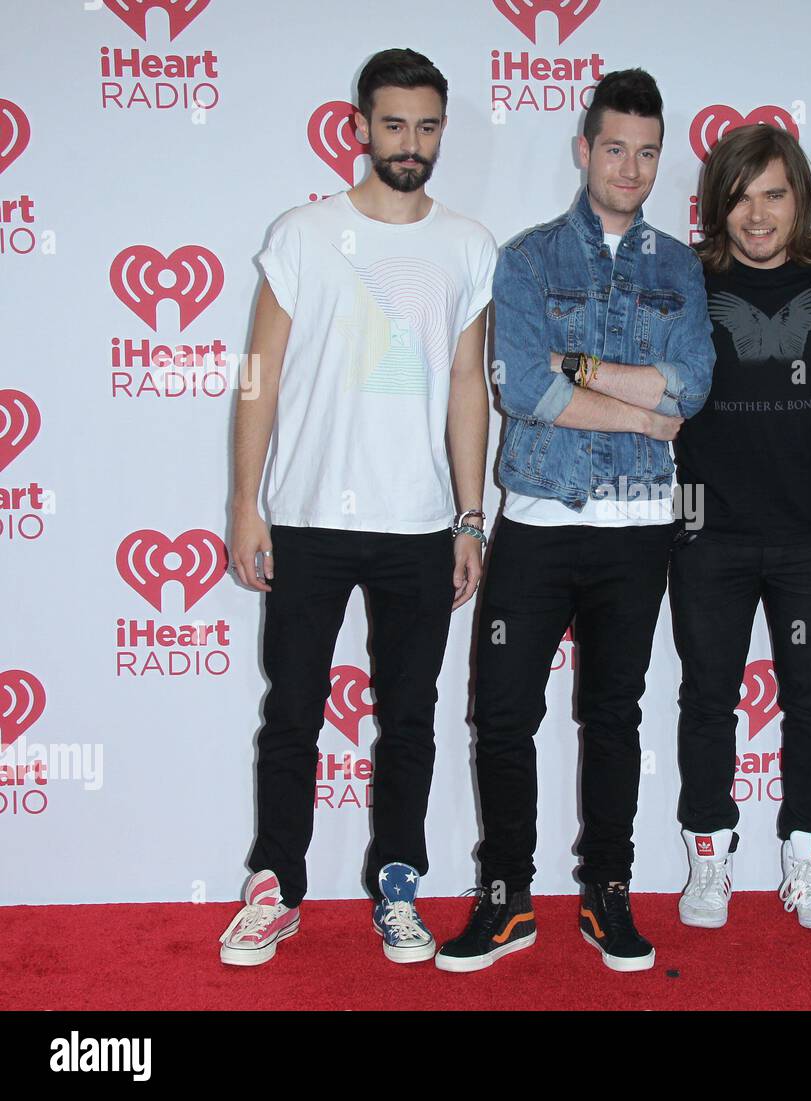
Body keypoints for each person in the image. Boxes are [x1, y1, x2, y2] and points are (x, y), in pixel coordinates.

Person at [218, 48, 496, 966]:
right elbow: (257, 377)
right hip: (304, 516)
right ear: (359, 128)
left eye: (426, 127)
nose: (409, 144)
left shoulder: (465, 244)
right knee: (291, 709)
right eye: (393, 125)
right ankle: (275, 885)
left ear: (441, 131)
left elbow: (466, 384)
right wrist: (244, 504)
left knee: (409, 714)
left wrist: (468, 515)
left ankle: (400, 883)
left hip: (418, 525)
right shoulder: (302, 234)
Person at [436, 69, 714, 974]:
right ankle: (506, 895)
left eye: (646, 151)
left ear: (657, 158)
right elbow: (521, 385)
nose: (629, 167)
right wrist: (640, 410)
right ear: (583, 148)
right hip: (540, 523)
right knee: (504, 711)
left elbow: (695, 384)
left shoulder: (679, 266)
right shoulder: (525, 259)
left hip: (638, 531)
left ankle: (607, 889)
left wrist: (581, 370)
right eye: (613, 147)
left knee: (614, 714)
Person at [670, 124, 811, 932]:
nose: (756, 214)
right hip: (708, 531)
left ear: (800, 197)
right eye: (739, 197)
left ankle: (809, 859)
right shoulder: (686, 277)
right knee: (708, 697)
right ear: (716, 204)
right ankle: (709, 860)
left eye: (773, 194)